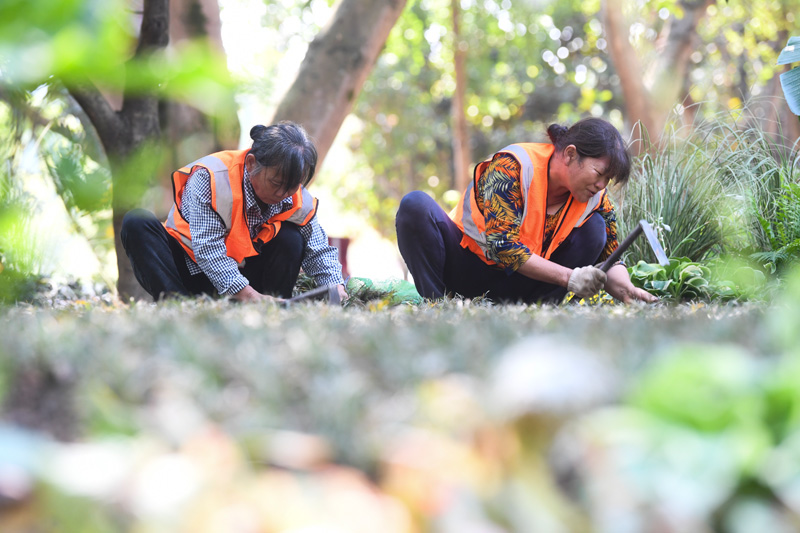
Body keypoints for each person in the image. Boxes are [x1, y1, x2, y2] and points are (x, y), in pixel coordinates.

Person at [395, 117, 657, 304]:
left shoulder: (596, 197)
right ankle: (435, 303)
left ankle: (543, 309)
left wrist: (625, 287)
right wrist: (570, 277)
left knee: (596, 229)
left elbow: (611, 253)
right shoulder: (513, 166)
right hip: (468, 271)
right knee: (416, 205)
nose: (601, 186)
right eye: (599, 174)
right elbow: (503, 247)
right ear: (569, 154)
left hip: (528, 286)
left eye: (607, 181)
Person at [121, 121, 347, 303]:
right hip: (190, 271)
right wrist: (248, 295)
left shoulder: (294, 196)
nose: (283, 193)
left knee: (291, 239)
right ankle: (178, 307)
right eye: (276, 183)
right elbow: (208, 249)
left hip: (246, 277)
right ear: (250, 163)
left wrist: (335, 286)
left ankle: (273, 310)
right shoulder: (211, 178)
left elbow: (318, 249)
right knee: (136, 222)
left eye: (292, 186)